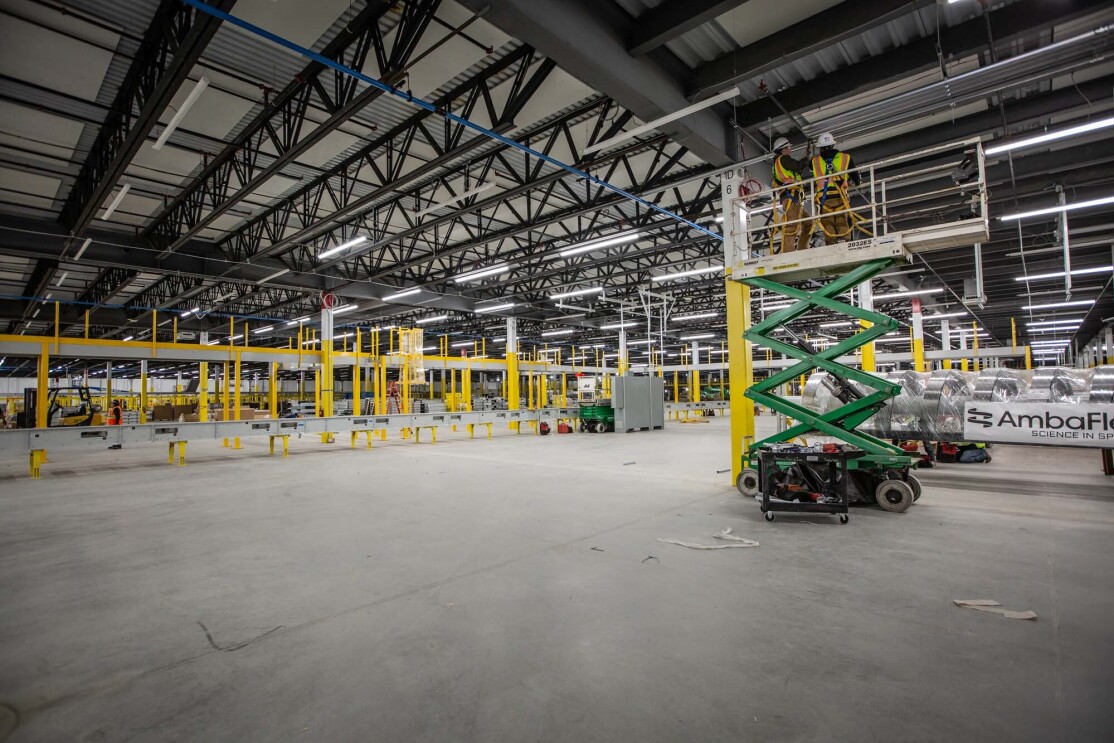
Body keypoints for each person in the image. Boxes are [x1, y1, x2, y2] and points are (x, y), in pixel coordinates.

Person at [810, 132, 861, 245]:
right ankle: (844, 240)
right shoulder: (845, 158)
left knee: (828, 222)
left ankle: (831, 242)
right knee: (841, 220)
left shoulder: (815, 161)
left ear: (820, 148)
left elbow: (810, 168)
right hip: (840, 196)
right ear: (833, 145)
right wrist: (854, 182)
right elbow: (856, 179)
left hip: (824, 197)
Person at [770, 136, 812, 253]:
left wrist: (806, 156)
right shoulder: (783, 159)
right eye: (788, 148)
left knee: (808, 223)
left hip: (795, 198)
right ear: (783, 149)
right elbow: (798, 166)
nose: (790, 150)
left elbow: (797, 170)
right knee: (792, 226)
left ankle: (802, 249)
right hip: (791, 197)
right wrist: (808, 157)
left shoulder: (780, 163)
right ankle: (787, 253)